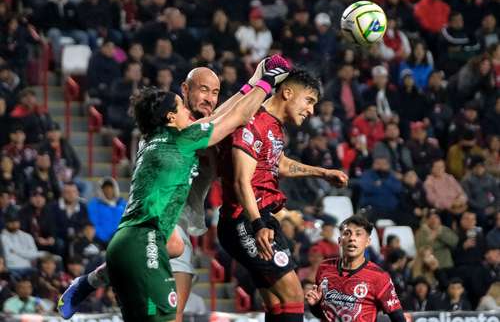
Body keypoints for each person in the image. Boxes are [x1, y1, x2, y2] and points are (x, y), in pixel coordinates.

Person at [60, 61, 291, 322]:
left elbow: (215, 119)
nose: (210, 98)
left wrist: (252, 82)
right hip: (157, 227)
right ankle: (91, 282)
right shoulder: (182, 134)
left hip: (149, 232)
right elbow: (232, 118)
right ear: (183, 92)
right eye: (202, 90)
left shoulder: (167, 131)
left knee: (170, 261)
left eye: (215, 92)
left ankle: (89, 281)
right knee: (170, 312)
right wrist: (265, 83)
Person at [218, 69, 348, 322]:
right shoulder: (253, 121)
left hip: (259, 218)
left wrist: (323, 173)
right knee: (293, 295)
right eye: (309, 101)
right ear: (287, 92)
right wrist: (257, 225)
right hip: (244, 219)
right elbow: (241, 181)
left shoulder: (275, 127)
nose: (311, 111)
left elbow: (278, 163)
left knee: (277, 302)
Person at [305, 215, 405, 322]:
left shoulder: (379, 277)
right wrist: (314, 305)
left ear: (367, 242)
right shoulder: (324, 268)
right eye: (347, 233)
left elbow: (398, 318)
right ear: (339, 241)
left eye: (358, 234)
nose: (352, 238)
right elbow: (322, 313)